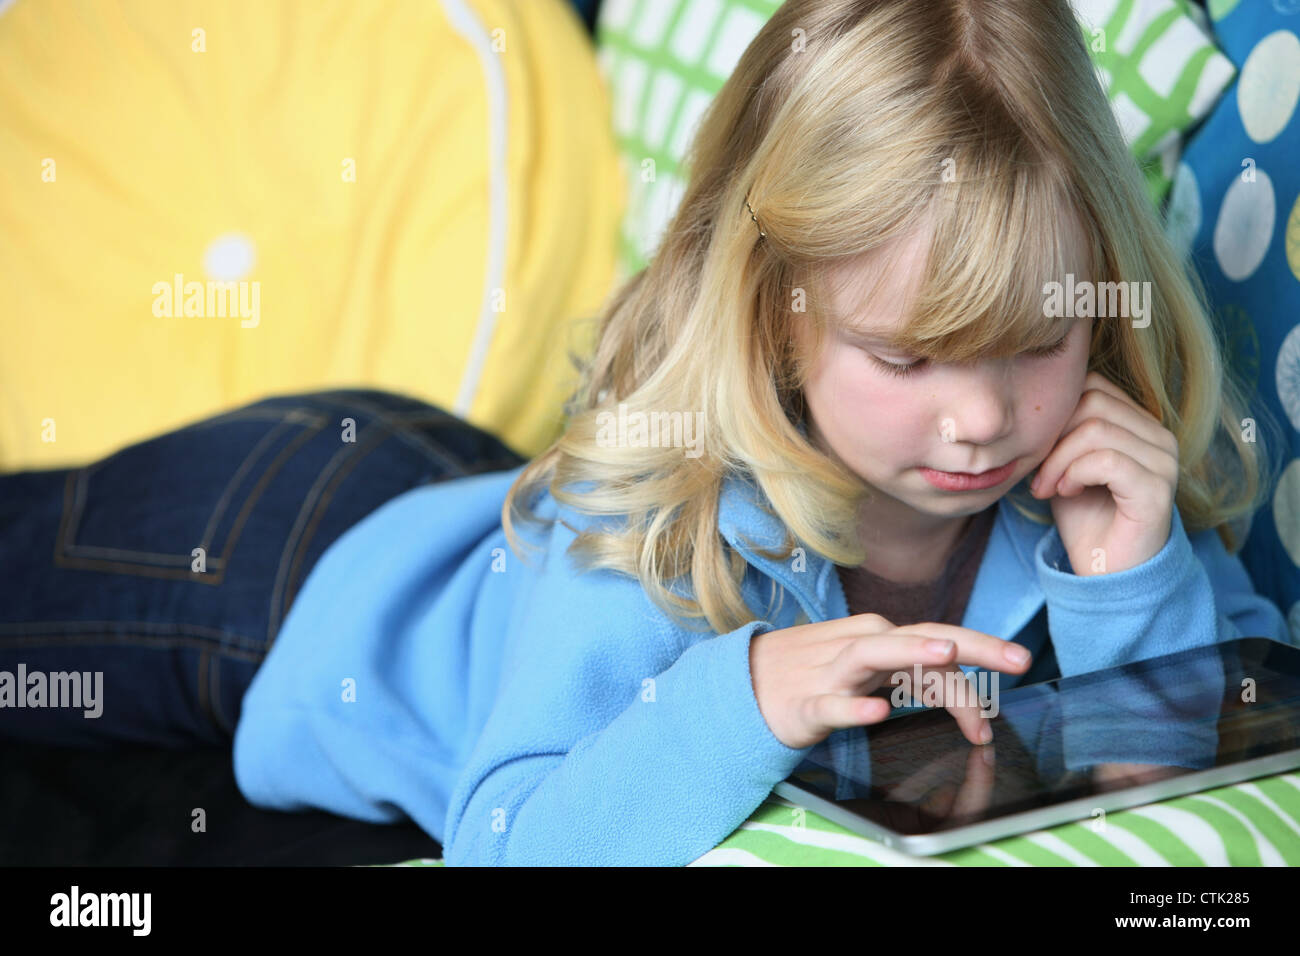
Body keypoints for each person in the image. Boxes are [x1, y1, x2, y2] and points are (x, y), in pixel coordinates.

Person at [1, 0, 1292, 867]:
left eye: (1036, 340)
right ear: (772, 312)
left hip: (495, 525)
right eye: (906, 356)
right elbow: (505, 839)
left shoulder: (1087, 488)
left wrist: (1138, 586)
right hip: (286, 560)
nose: (983, 419)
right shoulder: (657, 537)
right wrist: (743, 696)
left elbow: (1227, 743)